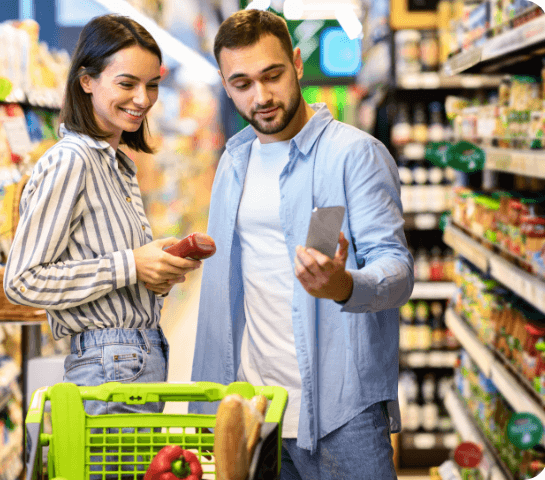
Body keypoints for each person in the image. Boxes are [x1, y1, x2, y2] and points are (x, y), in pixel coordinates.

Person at [190, 9, 414, 480]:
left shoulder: (355, 154)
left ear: (295, 62)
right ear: (225, 84)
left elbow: (397, 269)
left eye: (272, 75)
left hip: (341, 414)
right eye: (243, 83)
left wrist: (345, 285)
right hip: (255, 410)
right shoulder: (233, 163)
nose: (262, 96)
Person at [4, 14, 201, 418]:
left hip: (135, 357)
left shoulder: (115, 165)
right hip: (109, 363)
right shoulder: (72, 161)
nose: (143, 99)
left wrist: (155, 270)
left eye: (152, 85)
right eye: (127, 84)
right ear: (87, 81)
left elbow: (109, 270)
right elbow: (22, 281)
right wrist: (129, 264)